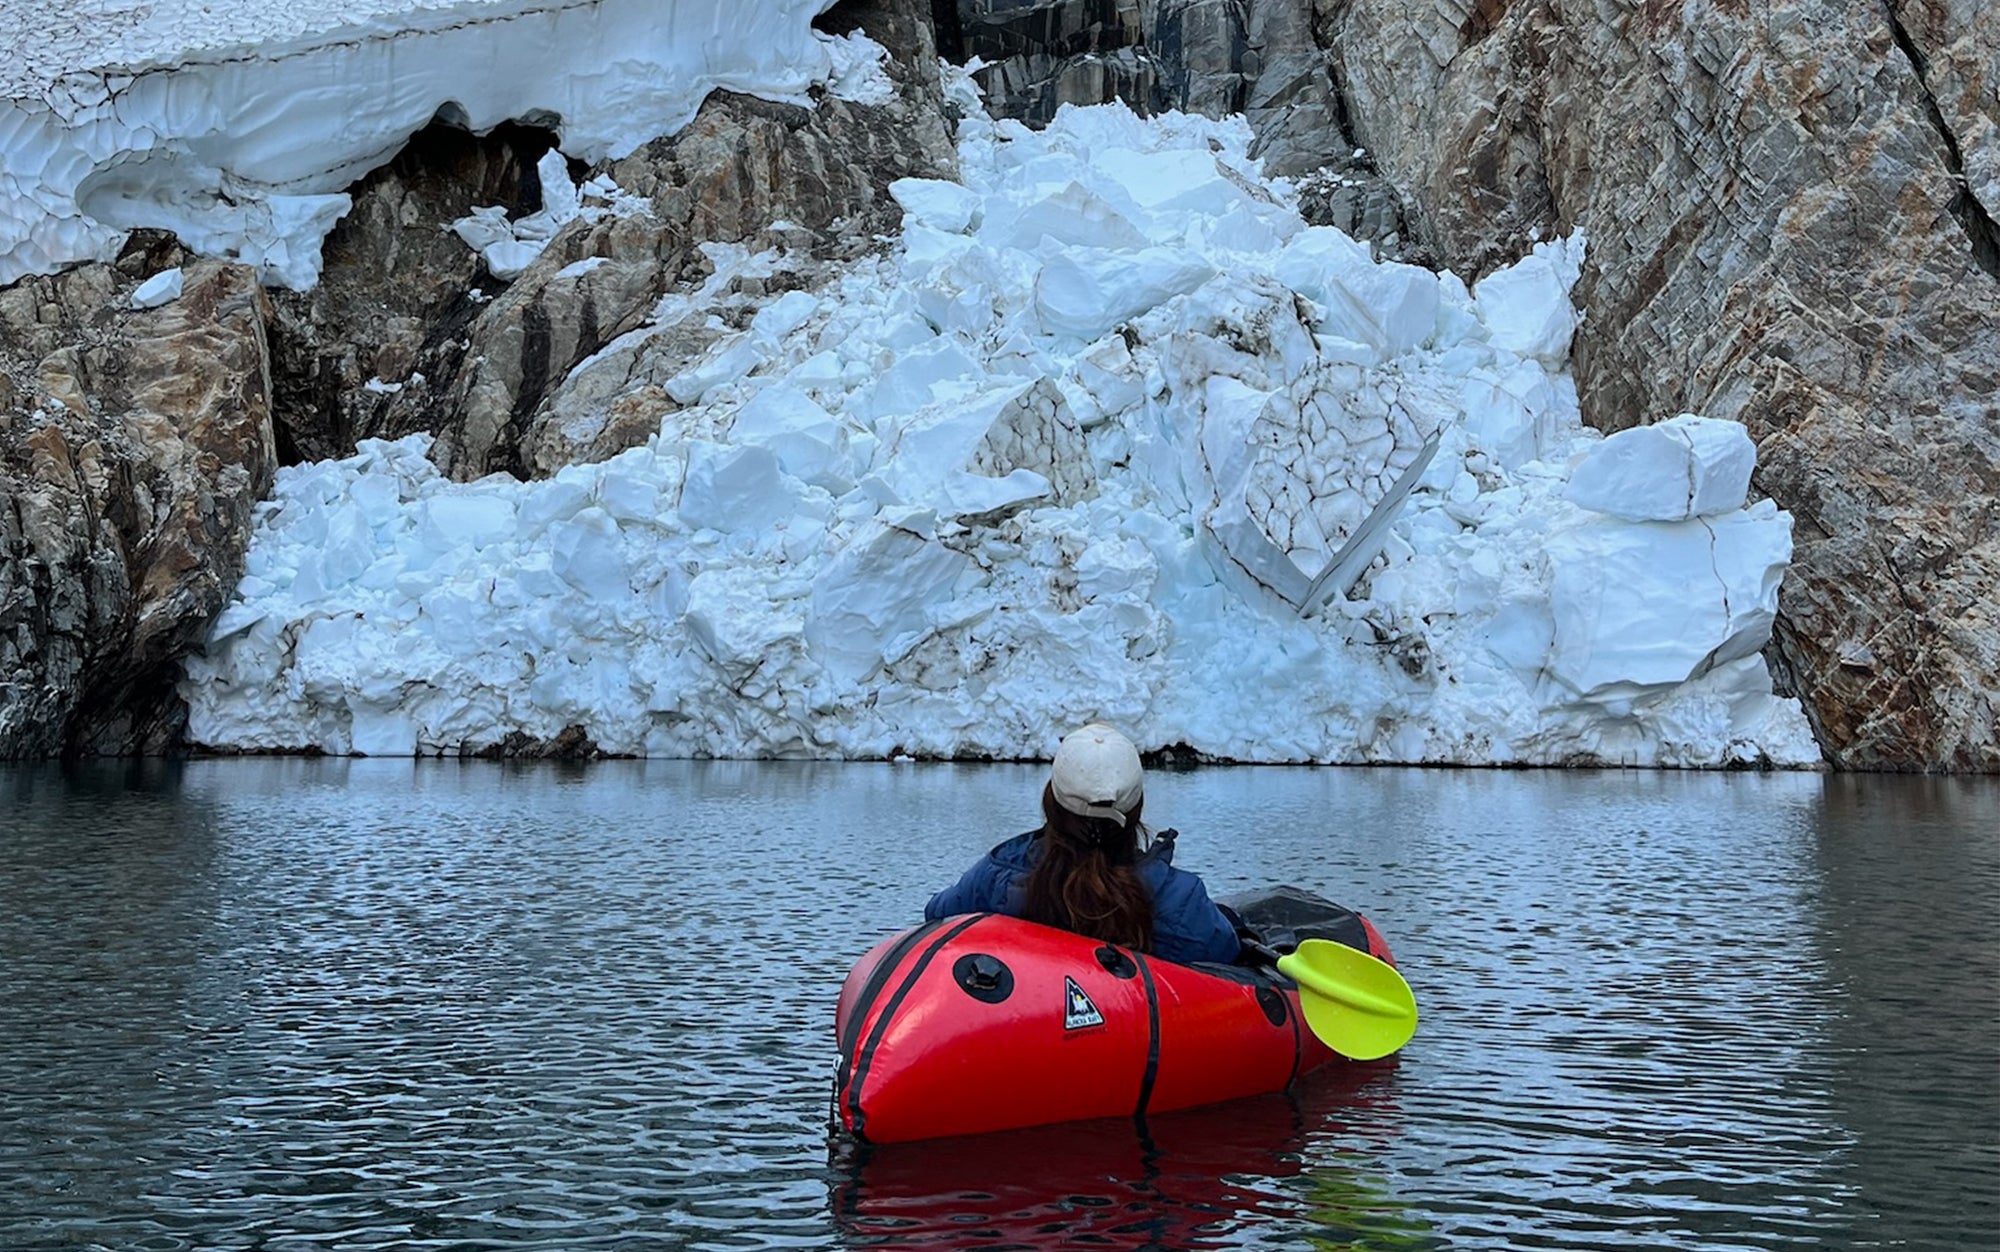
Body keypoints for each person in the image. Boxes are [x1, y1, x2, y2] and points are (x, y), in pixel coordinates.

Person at [924, 723, 1241, 965]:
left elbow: (937, 914)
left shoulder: (997, 877)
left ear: (1052, 801)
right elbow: (1227, 954)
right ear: (1136, 808)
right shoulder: (1178, 898)